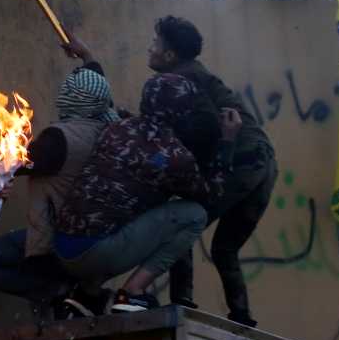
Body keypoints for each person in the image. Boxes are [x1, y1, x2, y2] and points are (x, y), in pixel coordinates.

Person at [67, 16, 275, 326]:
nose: (149, 48)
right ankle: (242, 320)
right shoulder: (192, 79)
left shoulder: (181, 83)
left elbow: (190, 130)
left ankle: (182, 303)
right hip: (264, 162)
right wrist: (88, 59)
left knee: (184, 218)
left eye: (155, 44)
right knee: (224, 248)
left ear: (169, 56)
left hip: (240, 162)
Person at [51, 73, 240, 313]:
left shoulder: (117, 127)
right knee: (194, 214)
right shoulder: (175, 157)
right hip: (96, 254)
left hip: (62, 246)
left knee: (122, 209)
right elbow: (213, 195)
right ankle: (132, 292)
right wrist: (227, 142)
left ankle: (87, 294)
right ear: (182, 111)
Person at [0, 64, 119, 319]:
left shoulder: (61, 139)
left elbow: (10, 164)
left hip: (56, 237)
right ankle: (65, 292)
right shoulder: (111, 130)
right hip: (95, 238)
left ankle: (56, 291)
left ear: (73, 97)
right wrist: (88, 58)